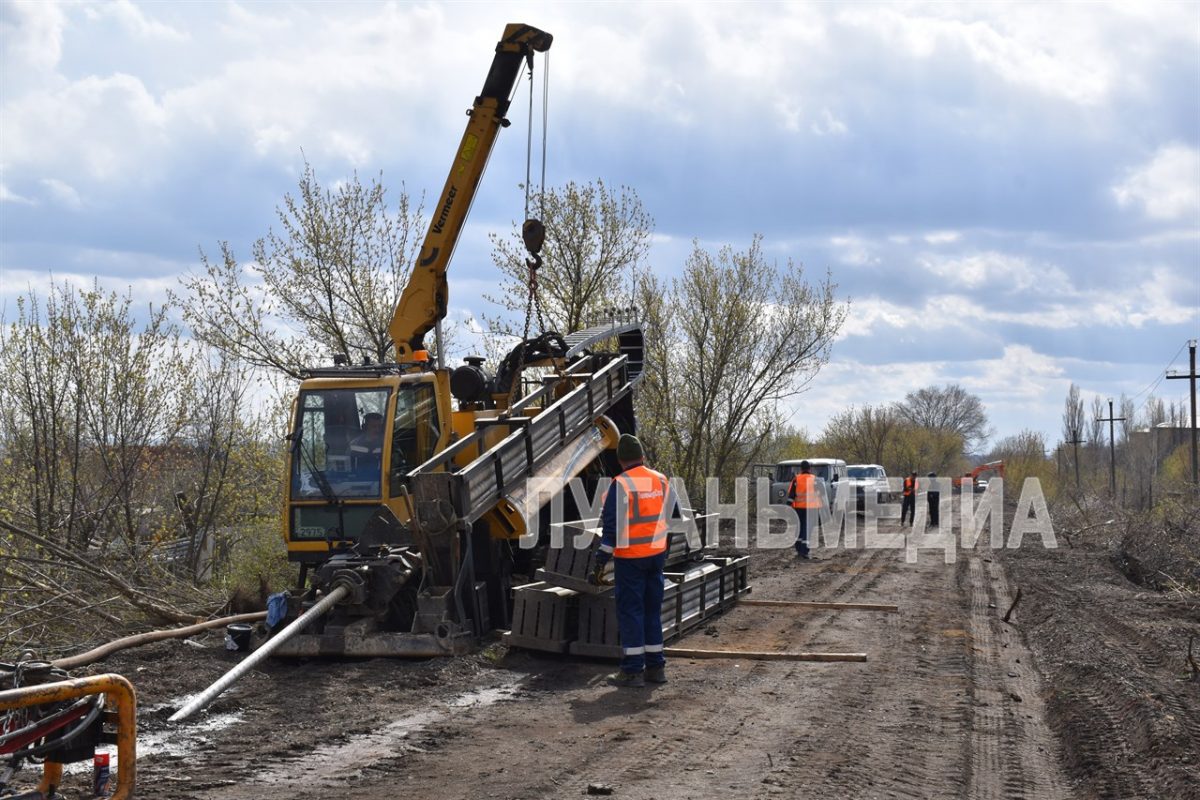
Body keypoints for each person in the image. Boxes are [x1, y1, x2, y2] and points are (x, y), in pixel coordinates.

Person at [591, 433, 676, 688]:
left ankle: (632, 671)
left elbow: (611, 529)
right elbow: (674, 515)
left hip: (630, 560)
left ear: (620, 460)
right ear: (643, 456)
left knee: (631, 613)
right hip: (656, 557)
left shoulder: (621, 484)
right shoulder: (660, 480)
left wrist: (600, 561)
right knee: (652, 611)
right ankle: (656, 668)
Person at [787, 460, 823, 560]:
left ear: (801, 469)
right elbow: (820, 494)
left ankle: (799, 549)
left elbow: (791, 495)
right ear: (809, 469)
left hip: (798, 508)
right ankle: (804, 551)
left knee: (799, 528)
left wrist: (787, 507)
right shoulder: (814, 479)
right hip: (811, 509)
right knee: (807, 530)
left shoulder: (796, 479)